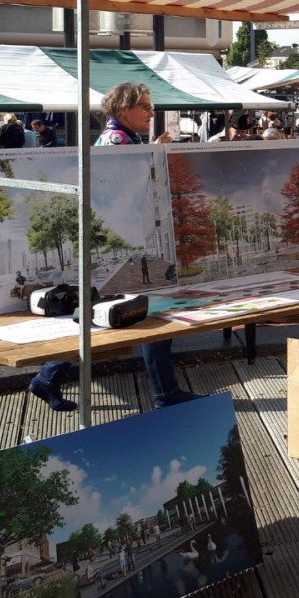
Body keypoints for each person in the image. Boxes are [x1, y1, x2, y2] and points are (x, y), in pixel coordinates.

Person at [29, 82, 199, 413]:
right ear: (123, 110)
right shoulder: (117, 140)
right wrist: (153, 156)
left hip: (117, 237)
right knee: (141, 311)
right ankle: (165, 393)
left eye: (151, 107)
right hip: (120, 238)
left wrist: (150, 151)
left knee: (106, 314)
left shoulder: (122, 138)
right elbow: (124, 190)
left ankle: (48, 378)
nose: (151, 112)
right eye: (145, 107)